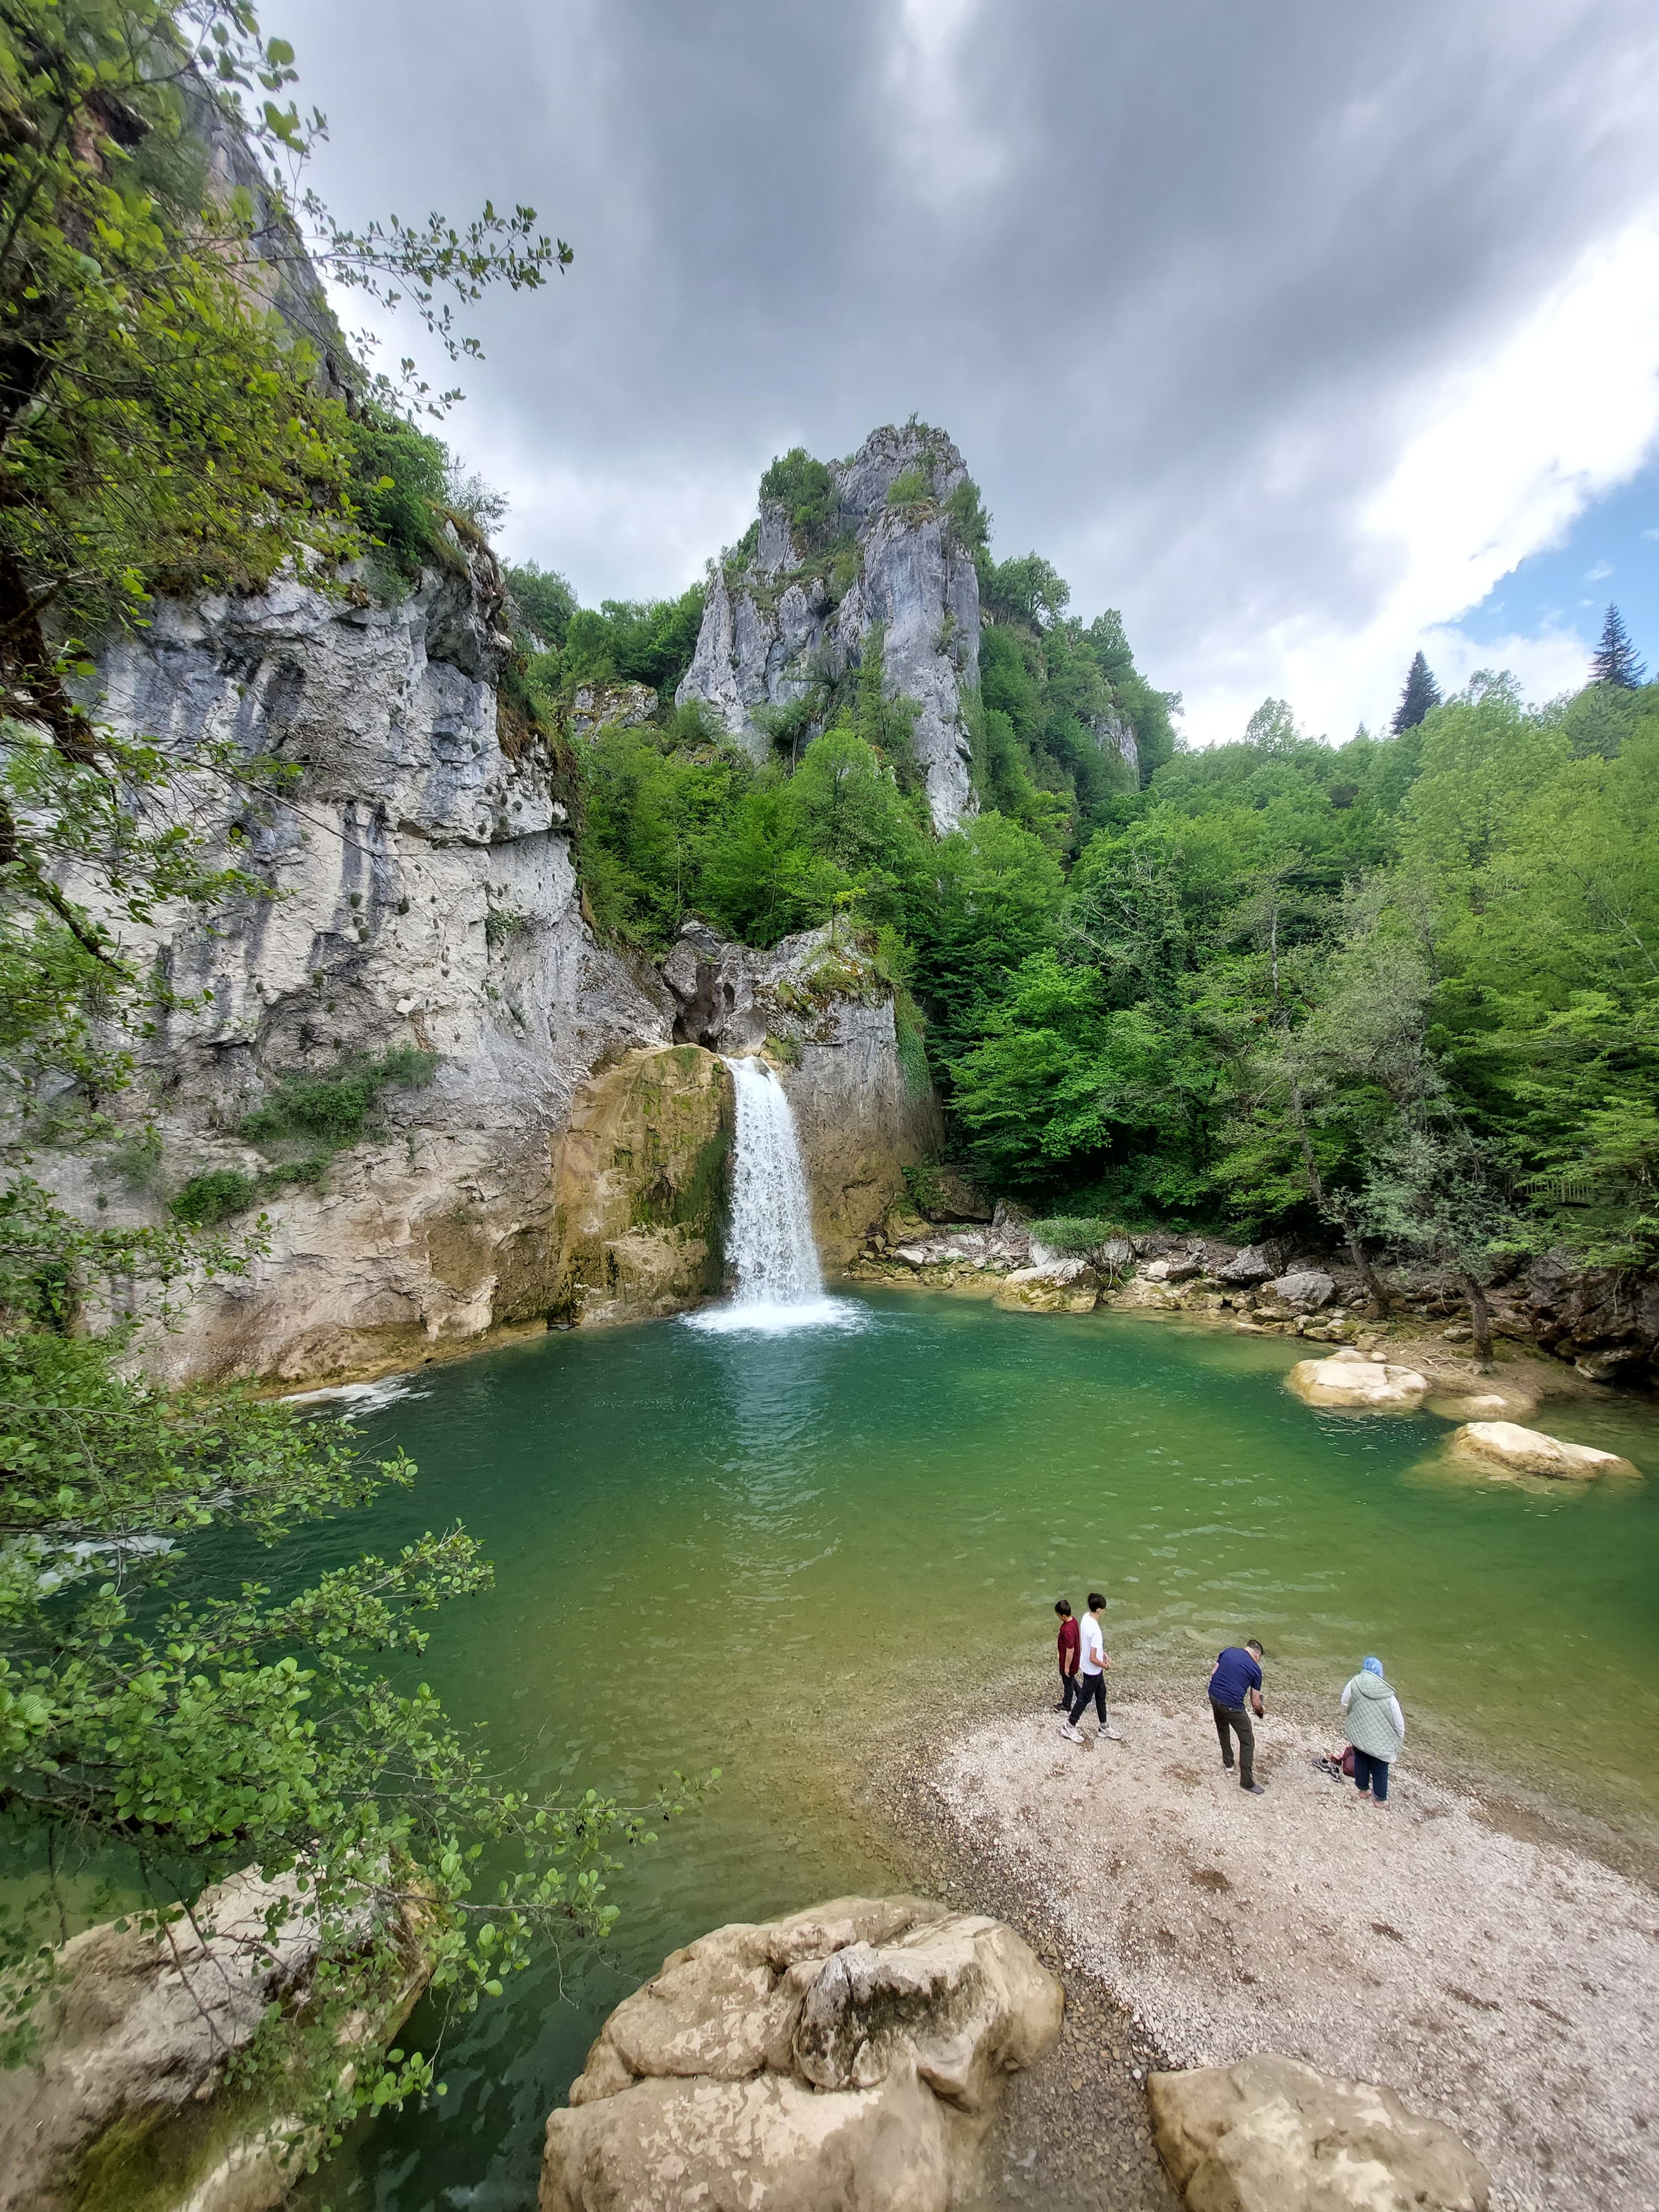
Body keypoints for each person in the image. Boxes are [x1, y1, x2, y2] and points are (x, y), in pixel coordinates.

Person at [1341, 1655, 1405, 1805]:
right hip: (1381, 1742)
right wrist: (1399, 1738)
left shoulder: (1354, 1683)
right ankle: (1380, 1800)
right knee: (1381, 1769)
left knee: (1361, 1761)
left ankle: (1363, 1792)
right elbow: (1399, 1724)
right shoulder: (1390, 1697)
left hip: (1360, 1734)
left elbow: (1344, 1702)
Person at [1060, 1594, 1121, 1744]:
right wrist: (1105, 1665)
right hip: (1094, 1670)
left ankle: (1104, 1726)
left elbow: (1092, 1646)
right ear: (1099, 1610)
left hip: (1088, 1667)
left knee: (1101, 1693)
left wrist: (1103, 1653)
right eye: (1104, 1610)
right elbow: (1093, 1658)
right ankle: (1069, 1726)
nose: (1104, 1612)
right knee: (1085, 1698)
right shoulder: (1097, 1631)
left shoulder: (1086, 1618)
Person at [1208, 1640, 1266, 1794]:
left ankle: (1228, 1763)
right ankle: (1246, 1781)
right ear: (1257, 1655)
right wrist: (1261, 1712)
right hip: (1232, 1704)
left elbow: (1214, 1673)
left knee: (1222, 1727)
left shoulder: (1228, 1651)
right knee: (1248, 1740)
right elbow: (1255, 1702)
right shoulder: (1256, 1669)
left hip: (1214, 1694)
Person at [1053, 1599, 1080, 1711]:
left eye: (1058, 1615)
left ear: (1063, 1616)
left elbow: (1070, 1649)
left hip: (1068, 1660)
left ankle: (1067, 1704)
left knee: (1067, 1682)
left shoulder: (1067, 1630)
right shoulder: (1074, 1621)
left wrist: (1066, 1667)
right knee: (1071, 1679)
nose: (1058, 1617)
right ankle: (1081, 1694)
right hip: (1073, 1659)